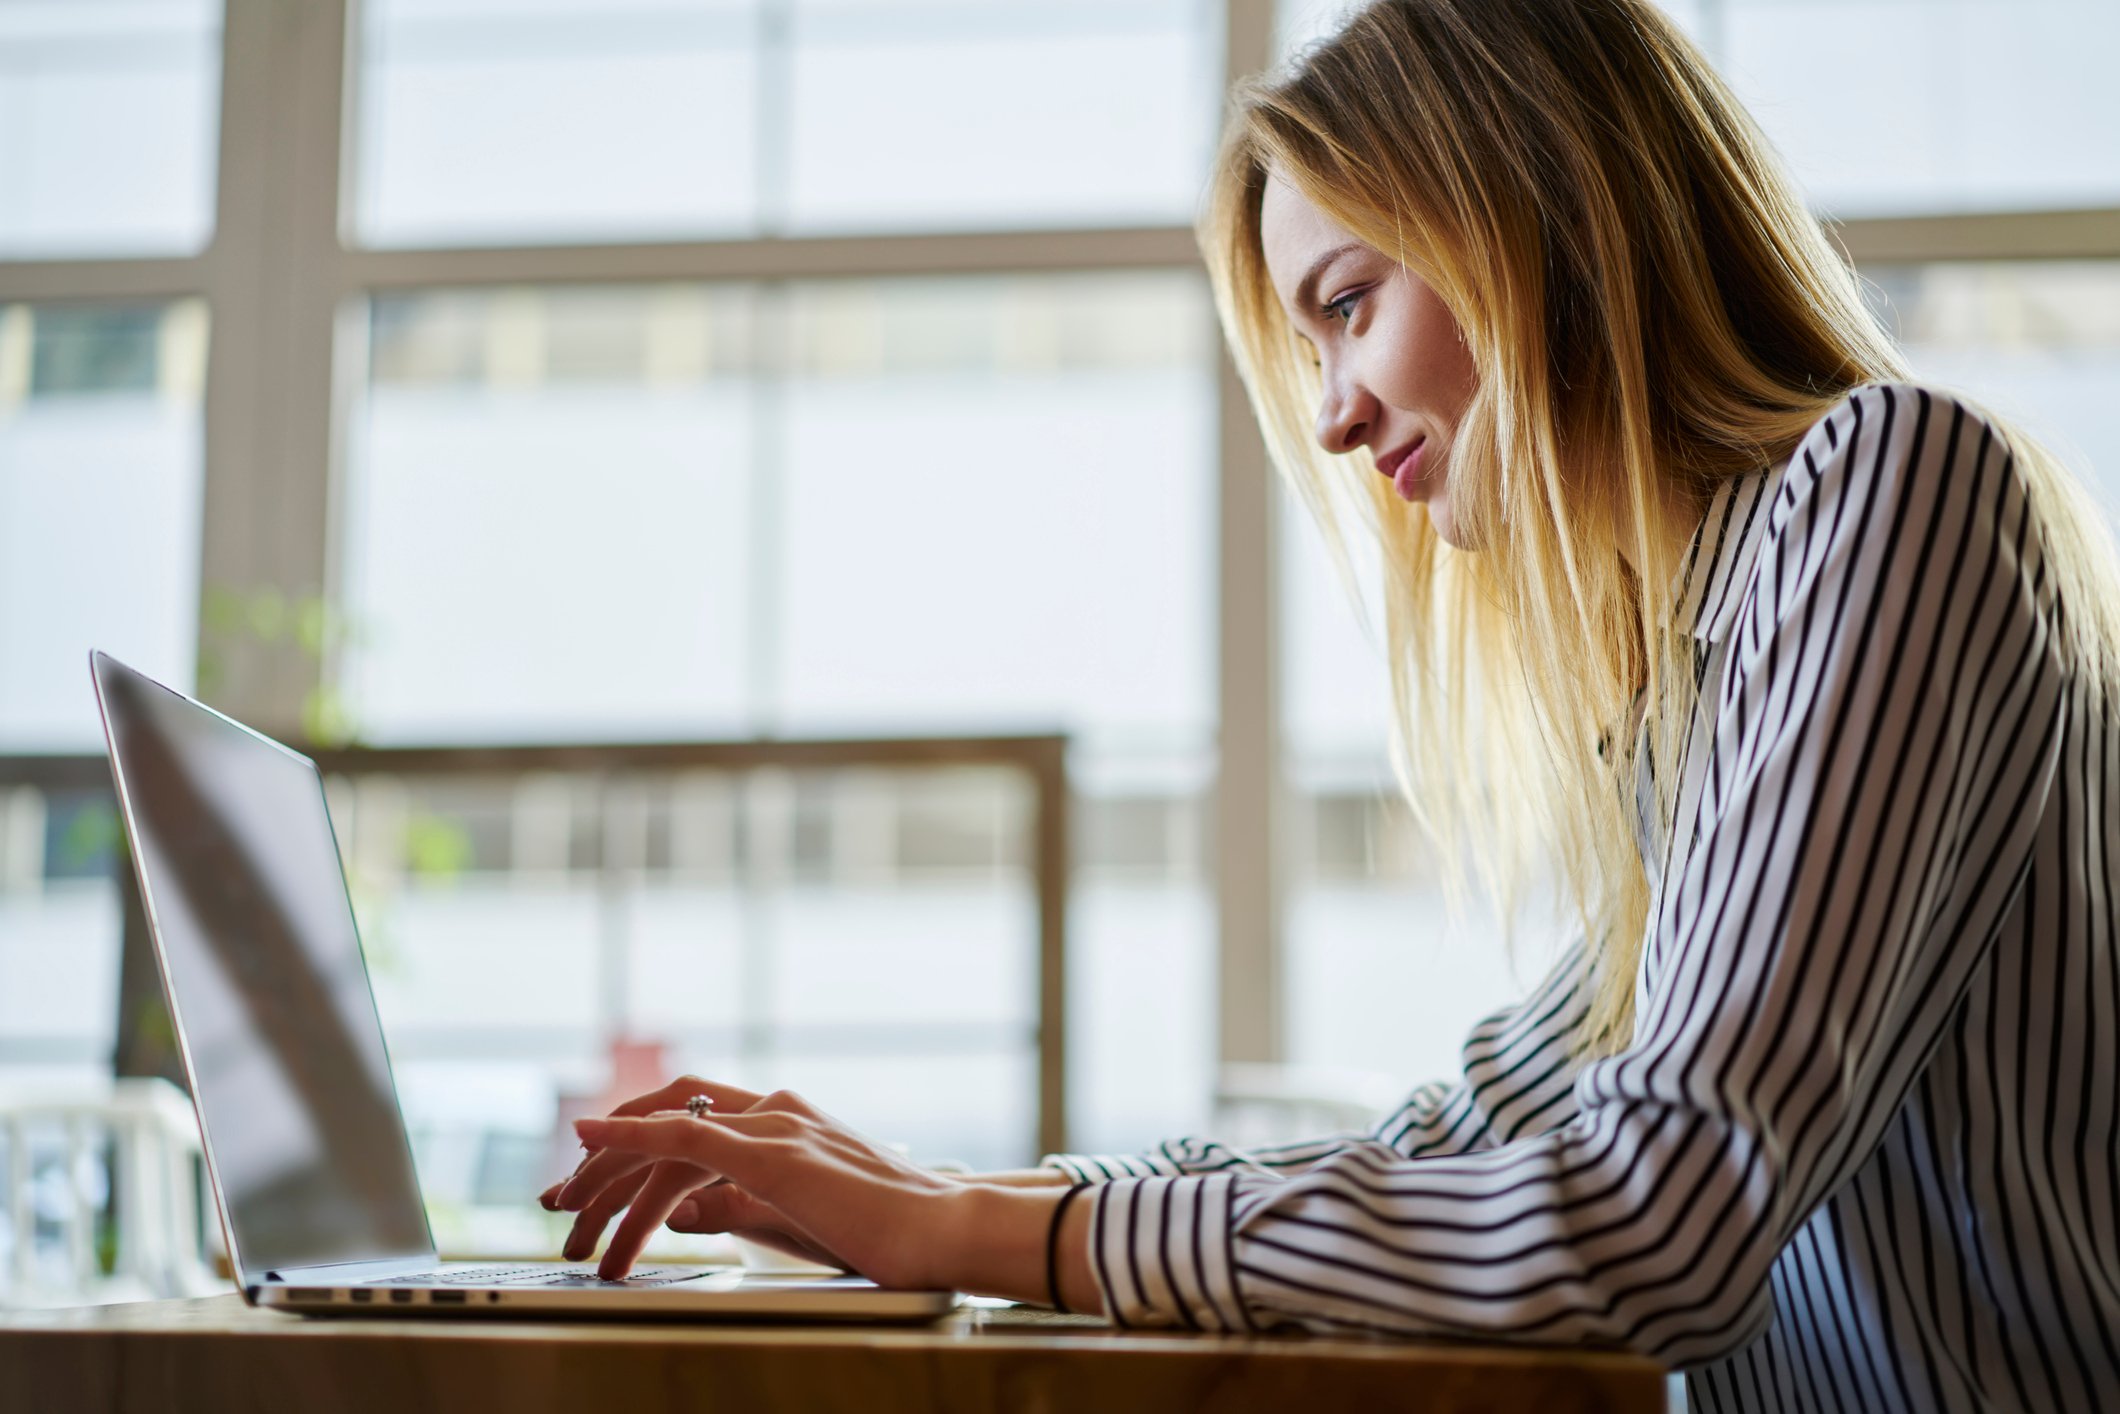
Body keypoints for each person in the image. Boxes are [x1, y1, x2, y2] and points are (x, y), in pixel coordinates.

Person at [539, 2, 2120, 1408]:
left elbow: (1652, 1210)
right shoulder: (1696, 677)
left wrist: (972, 1229)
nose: (1335, 410)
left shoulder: (1886, 486)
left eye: (1350, 303)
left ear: (1543, 215)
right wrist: (935, 1185)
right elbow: (1475, 1132)